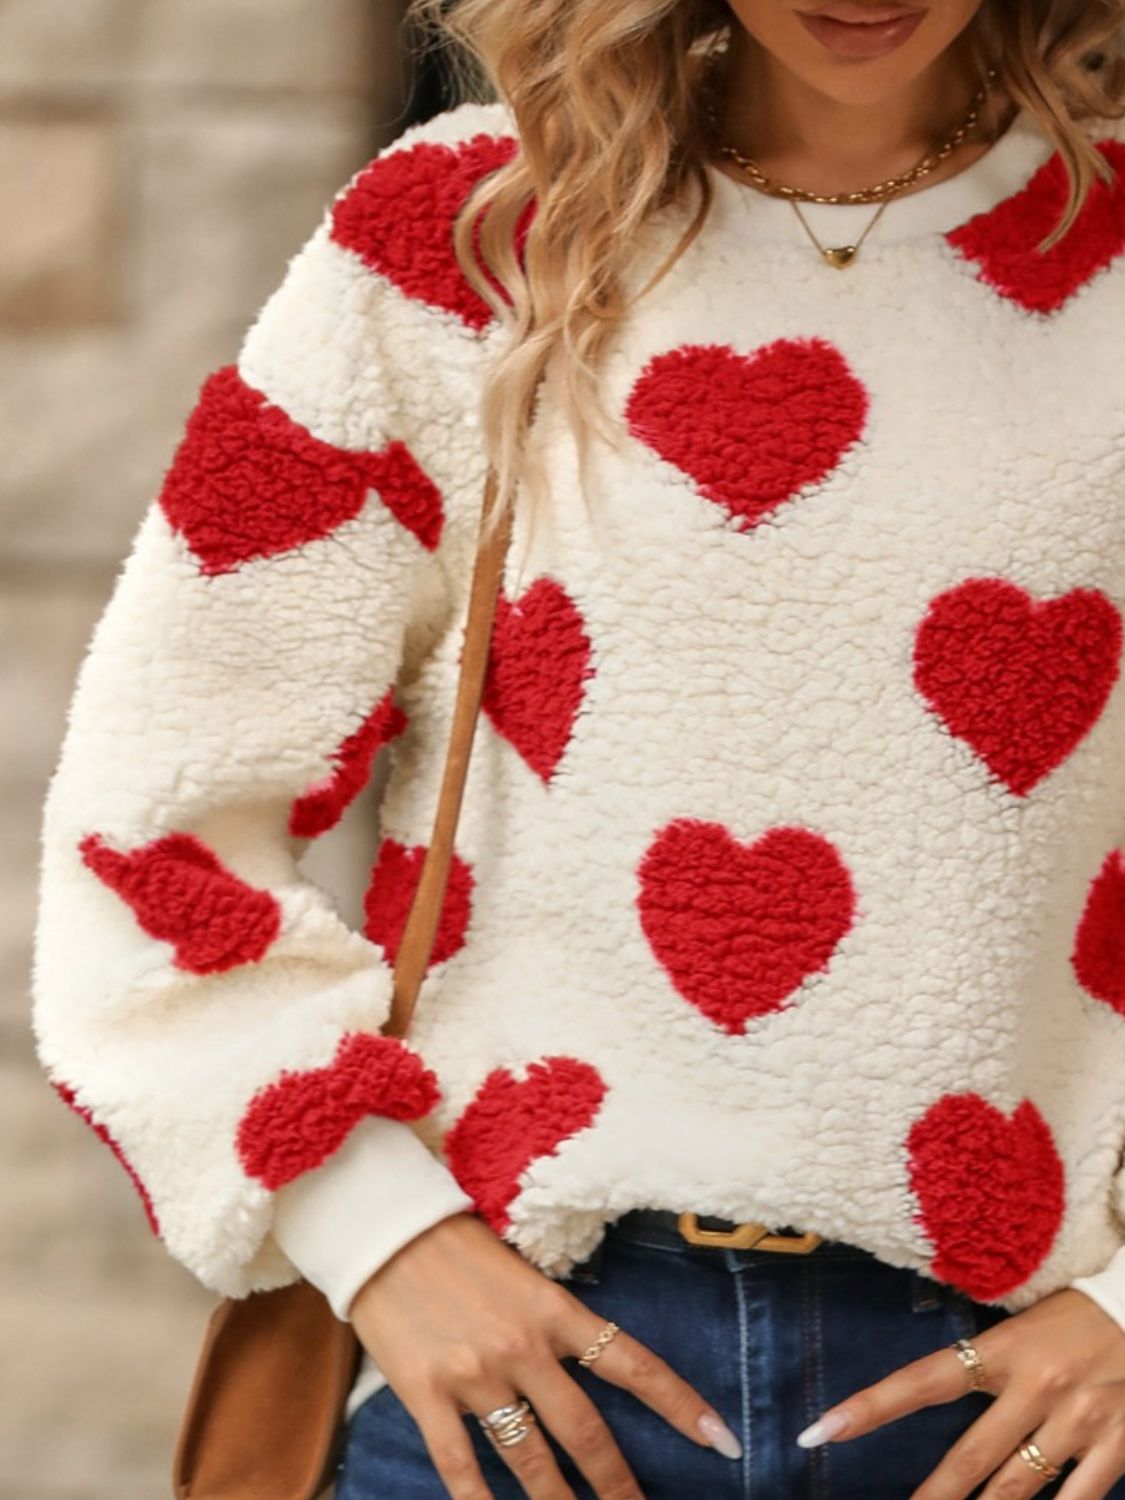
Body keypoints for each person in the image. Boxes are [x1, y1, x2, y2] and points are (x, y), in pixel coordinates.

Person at [29, 0, 1125, 1495]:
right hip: (516, 1375)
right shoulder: (465, 233)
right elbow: (154, 811)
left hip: (1033, 1409)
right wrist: (382, 1237)